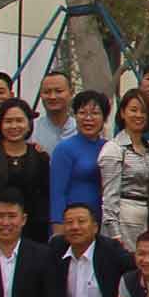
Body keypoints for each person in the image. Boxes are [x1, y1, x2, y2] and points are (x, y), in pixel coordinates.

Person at [0, 99, 54, 239]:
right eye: (8, 121)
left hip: (33, 231)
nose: (14, 126)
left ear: (29, 124)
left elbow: (45, 197)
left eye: (19, 120)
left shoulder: (40, 156)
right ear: (0, 124)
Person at [98, 91, 149, 251]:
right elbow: (109, 195)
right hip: (122, 219)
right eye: (133, 110)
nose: (138, 115)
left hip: (145, 220)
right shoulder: (113, 149)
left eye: (143, 111)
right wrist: (114, 234)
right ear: (122, 113)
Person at [49, 92, 111, 247]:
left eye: (95, 113)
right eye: (82, 113)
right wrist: (58, 229)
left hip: (101, 221)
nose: (88, 119)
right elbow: (57, 193)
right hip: (73, 223)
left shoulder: (109, 147)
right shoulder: (64, 149)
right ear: (75, 116)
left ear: (104, 118)